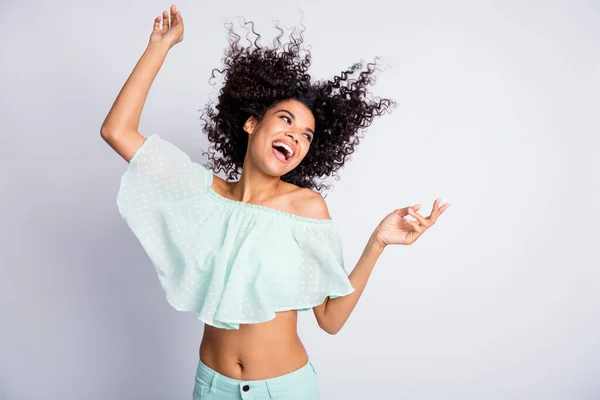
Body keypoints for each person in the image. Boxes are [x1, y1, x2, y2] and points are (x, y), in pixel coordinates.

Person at [101, 5, 450, 399]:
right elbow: (117, 131)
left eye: (306, 135)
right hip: (211, 387)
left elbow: (330, 319)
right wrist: (159, 47)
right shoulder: (203, 194)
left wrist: (377, 243)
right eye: (285, 119)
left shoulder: (306, 208)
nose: (296, 136)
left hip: (283, 390)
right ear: (251, 123)